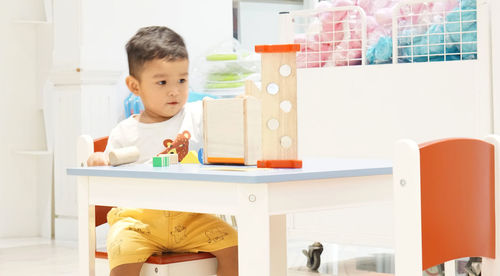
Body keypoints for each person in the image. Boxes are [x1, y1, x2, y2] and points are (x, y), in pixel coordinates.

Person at [87, 26, 238, 276]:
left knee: (235, 247)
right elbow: (110, 181)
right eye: (162, 82)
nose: (174, 90)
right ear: (135, 86)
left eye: (182, 79)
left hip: (191, 217)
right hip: (137, 221)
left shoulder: (196, 114)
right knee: (121, 249)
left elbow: (226, 116)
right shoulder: (125, 132)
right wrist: (100, 161)